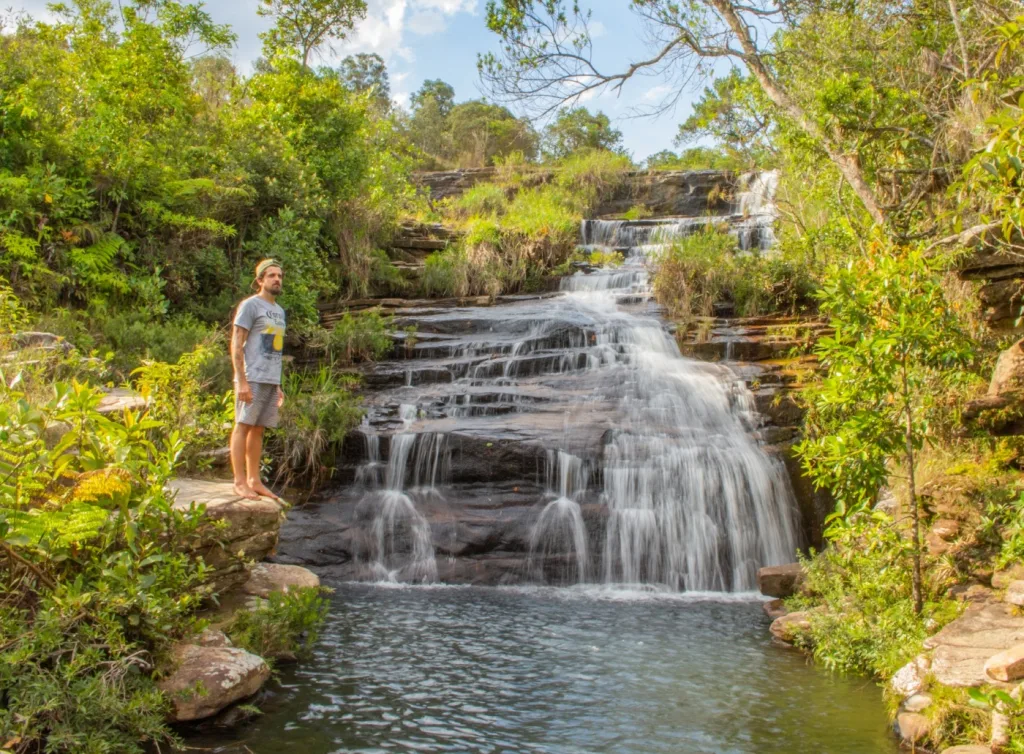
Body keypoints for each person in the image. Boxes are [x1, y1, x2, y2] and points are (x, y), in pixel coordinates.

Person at [230, 258, 286, 501]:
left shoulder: (279, 311)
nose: (277, 279)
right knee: (243, 425)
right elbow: (236, 342)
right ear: (260, 280)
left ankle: (254, 480)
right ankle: (239, 482)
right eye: (271, 275)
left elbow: (274, 348)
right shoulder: (250, 305)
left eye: (280, 276)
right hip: (251, 377)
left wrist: (278, 384)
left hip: (269, 378)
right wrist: (241, 380)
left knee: (259, 429)